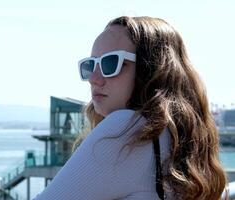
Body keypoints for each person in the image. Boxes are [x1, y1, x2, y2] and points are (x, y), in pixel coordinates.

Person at [33, 16, 228, 200]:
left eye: (111, 63)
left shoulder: (126, 129)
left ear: (152, 70)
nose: (94, 78)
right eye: (90, 65)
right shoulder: (176, 139)